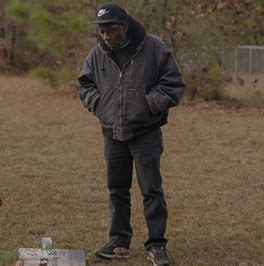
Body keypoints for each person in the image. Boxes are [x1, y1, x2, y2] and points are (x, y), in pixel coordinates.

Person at [77, 2, 185, 265]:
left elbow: (174, 83)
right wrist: (99, 105)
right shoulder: (97, 54)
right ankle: (118, 242)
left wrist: (150, 104)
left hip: (145, 133)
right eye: (101, 31)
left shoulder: (153, 48)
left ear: (124, 27)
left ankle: (157, 245)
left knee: (151, 190)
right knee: (117, 189)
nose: (105, 36)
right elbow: (85, 84)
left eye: (110, 30)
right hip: (112, 133)